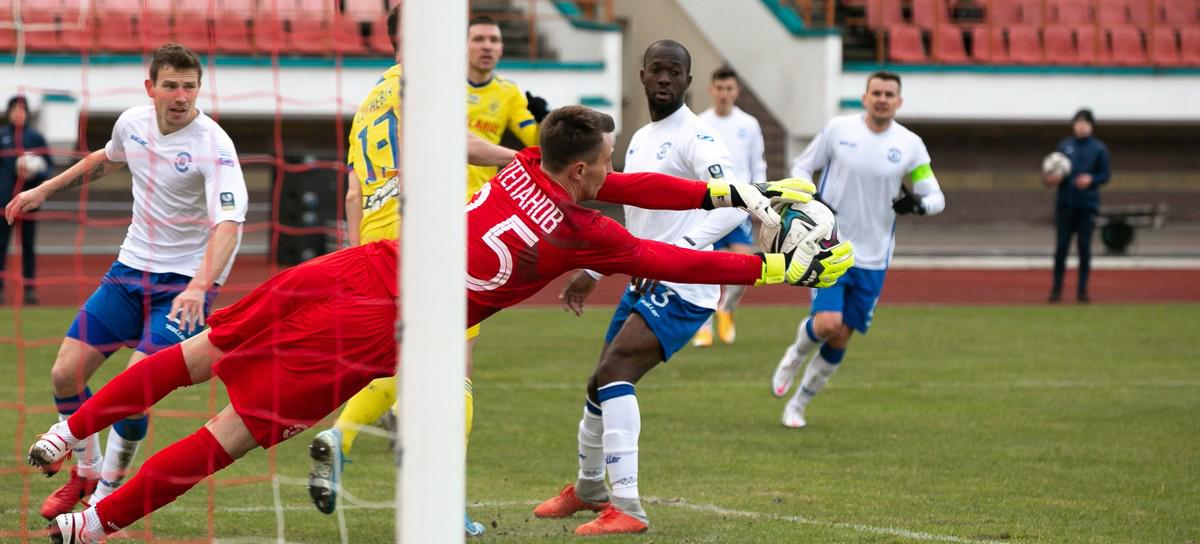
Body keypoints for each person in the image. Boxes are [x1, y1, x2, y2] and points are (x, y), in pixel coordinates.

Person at [28, 105, 848, 543]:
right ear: (581, 169)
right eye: (604, 163)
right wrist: (773, 268)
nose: (613, 173)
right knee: (232, 431)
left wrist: (735, 193)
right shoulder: (582, 230)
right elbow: (672, 258)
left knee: (202, 352)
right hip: (389, 320)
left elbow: (637, 186)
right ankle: (94, 526)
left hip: (360, 265)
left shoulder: (528, 166)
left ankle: (72, 432)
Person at [532, 41, 851, 536]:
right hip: (645, 278)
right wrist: (594, 271)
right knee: (600, 383)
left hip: (683, 286)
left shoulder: (699, 137)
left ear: (687, 80)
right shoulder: (641, 138)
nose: (664, 78)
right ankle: (589, 487)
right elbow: (637, 217)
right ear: (642, 75)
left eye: (674, 71)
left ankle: (628, 507)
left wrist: (675, 252)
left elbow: (732, 205)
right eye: (657, 70)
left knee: (615, 373)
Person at [6, 43, 247, 520]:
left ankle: (106, 495)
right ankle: (86, 472)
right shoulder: (132, 123)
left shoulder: (214, 145)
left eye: (190, 86)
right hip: (129, 272)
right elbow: (108, 157)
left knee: (135, 388)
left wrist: (199, 286)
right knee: (64, 373)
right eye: (171, 86)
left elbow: (229, 225)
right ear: (151, 87)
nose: (181, 96)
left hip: (183, 287)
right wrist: (45, 188)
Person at [301, 6, 516, 536]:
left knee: (402, 362)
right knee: (455, 368)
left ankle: (340, 437)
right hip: (428, 238)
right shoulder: (424, 82)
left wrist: (356, 256)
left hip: (378, 245)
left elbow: (352, 193)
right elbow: (459, 143)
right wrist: (519, 160)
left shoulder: (369, 101)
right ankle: (447, 501)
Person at [768, 70, 945, 430]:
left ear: (899, 102)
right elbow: (802, 165)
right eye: (876, 93)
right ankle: (795, 353)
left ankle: (799, 405)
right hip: (829, 244)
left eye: (889, 94)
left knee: (842, 336)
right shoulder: (838, 130)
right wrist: (810, 195)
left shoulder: (910, 145)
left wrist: (918, 205)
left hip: (874, 256)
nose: (882, 99)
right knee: (827, 323)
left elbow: (935, 196)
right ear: (865, 98)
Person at [693, 66, 768, 346]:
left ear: (736, 91)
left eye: (729, 89)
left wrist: (759, 198)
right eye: (719, 88)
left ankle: (726, 309)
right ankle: (704, 324)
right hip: (707, 206)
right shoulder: (700, 123)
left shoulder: (749, 124)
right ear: (711, 90)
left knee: (743, 265)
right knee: (704, 266)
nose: (724, 94)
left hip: (739, 207)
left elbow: (757, 163)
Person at [465, 15, 548, 197]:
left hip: (476, 200)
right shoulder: (443, 84)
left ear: (501, 49)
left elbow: (536, 145)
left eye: (494, 40)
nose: (487, 46)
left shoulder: (509, 92)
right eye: (479, 39)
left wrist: (542, 122)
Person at [1045, 108, 1109, 304]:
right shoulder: (1064, 146)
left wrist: (1091, 179)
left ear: (1091, 126)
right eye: (1078, 123)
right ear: (1073, 125)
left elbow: (1105, 175)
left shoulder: (1099, 149)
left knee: (1084, 248)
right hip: (1065, 205)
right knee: (1061, 248)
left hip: (1087, 206)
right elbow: (1051, 173)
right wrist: (1050, 179)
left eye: (1085, 123)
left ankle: (1082, 291)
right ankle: (1056, 290)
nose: (1081, 127)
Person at [0, 95, 51, 305]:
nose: (18, 114)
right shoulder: (2, 136)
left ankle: (30, 289)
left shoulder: (36, 138)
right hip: (4, 204)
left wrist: (35, 170)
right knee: (1, 245)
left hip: (28, 204)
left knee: (28, 246)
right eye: (14, 110)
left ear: (27, 113)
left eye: (22, 110)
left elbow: (48, 167)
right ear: (9, 113)